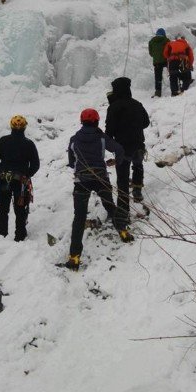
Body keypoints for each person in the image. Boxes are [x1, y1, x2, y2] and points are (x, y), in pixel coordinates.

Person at [66, 108, 131, 272]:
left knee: (79, 217)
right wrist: (116, 162)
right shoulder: (101, 137)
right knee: (109, 206)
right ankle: (123, 232)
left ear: (82, 121)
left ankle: (74, 257)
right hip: (101, 178)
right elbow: (119, 149)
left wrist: (78, 168)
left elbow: (71, 161)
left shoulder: (74, 139)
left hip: (81, 180)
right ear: (96, 121)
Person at [105, 77, 150, 225]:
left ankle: (123, 212)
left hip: (122, 148)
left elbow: (109, 131)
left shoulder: (113, 107)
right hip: (138, 144)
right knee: (138, 166)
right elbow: (146, 122)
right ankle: (137, 190)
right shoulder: (137, 104)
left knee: (123, 178)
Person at [0, 115, 40, 242]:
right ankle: (20, 236)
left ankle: (1, 235)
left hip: (4, 179)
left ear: (11, 126)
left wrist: (0, 171)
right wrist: (27, 175)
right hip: (21, 182)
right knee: (20, 209)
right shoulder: (29, 144)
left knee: (3, 208)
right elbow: (35, 164)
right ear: (25, 127)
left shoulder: (3, 141)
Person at [148, 28, 169, 97]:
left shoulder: (151, 41)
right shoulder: (166, 40)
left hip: (156, 62)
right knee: (172, 73)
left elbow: (151, 53)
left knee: (158, 77)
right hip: (166, 61)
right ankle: (175, 87)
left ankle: (158, 92)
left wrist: (156, 56)